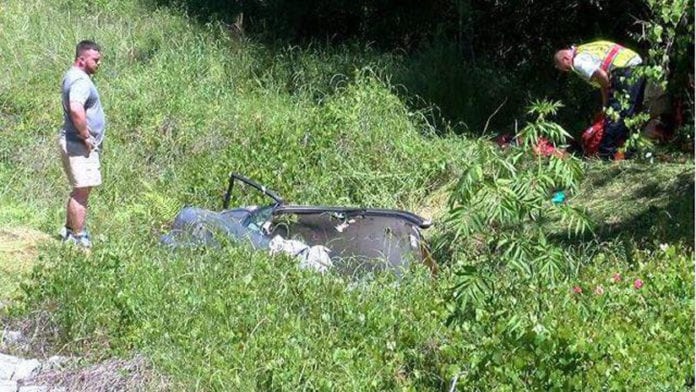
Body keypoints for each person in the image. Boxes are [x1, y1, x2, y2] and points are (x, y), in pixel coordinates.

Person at [554, 40, 646, 159]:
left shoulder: (577, 61)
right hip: (637, 66)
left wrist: (607, 104)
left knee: (615, 116)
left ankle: (605, 155)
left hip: (623, 72)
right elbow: (603, 80)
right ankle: (629, 153)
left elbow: (602, 76)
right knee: (631, 114)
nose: (568, 71)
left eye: (565, 68)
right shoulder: (586, 48)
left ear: (565, 59)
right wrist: (605, 104)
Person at [59, 40, 106, 248]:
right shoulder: (80, 81)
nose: (99, 63)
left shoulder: (73, 76)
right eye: (95, 60)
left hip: (74, 142)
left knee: (80, 190)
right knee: (82, 192)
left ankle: (69, 233)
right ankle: (78, 239)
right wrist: (86, 136)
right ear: (81, 59)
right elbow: (76, 108)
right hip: (79, 145)